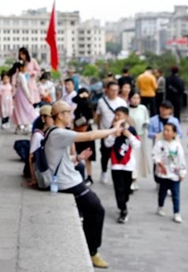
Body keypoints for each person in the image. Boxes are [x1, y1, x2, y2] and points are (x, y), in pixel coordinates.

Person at [44, 100, 125, 269]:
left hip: (68, 179)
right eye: (68, 112)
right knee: (96, 209)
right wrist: (113, 130)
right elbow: (89, 136)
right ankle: (92, 251)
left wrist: (78, 158)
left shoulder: (56, 132)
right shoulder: (59, 133)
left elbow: (59, 159)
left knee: (93, 209)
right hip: (67, 183)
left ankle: (90, 246)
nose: (72, 116)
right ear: (60, 115)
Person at [104, 106, 140, 223]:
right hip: (116, 163)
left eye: (119, 115)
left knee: (126, 187)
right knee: (118, 188)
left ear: (126, 116)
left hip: (128, 163)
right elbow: (107, 144)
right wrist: (114, 134)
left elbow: (137, 145)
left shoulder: (132, 130)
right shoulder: (112, 129)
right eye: (116, 115)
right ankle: (123, 210)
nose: (117, 117)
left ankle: (124, 202)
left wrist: (128, 134)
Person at [152, 123, 187, 223]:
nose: (166, 132)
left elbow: (181, 159)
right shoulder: (159, 144)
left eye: (168, 130)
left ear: (174, 133)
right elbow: (154, 154)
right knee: (162, 192)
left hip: (174, 174)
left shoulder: (177, 146)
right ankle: (160, 206)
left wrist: (182, 172)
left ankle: (176, 212)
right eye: (165, 130)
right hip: (163, 173)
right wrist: (159, 163)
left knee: (175, 194)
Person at [95, 80, 127, 184]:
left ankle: (117, 174)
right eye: (112, 90)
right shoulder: (101, 101)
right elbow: (98, 116)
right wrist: (100, 130)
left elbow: (125, 118)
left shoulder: (122, 102)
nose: (114, 92)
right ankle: (104, 171)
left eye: (116, 90)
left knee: (118, 154)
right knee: (105, 154)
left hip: (118, 133)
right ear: (107, 90)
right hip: (105, 132)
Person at [72, 87, 96, 185]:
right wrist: (81, 95)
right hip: (78, 130)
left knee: (87, 156)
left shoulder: (88, 104)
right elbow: (74, 99)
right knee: (76, 153)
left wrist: (85, 97)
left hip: (86, 130)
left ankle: (89, 176)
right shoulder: (78, 103)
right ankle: (78, 174)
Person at [128, 92, 151, 191]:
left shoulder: (143, 108)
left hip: (140, 136)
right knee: (131, 158)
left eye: (138, 98)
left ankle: (135, 179)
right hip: (129, 137)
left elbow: (147, 120)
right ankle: (130, 178)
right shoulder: (126, 109)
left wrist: (145, 125)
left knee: (138, 158)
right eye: (134, 98)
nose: (136, 100)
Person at [27, 106, 54, 187]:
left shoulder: (52, 131)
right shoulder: (38, 135)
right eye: (51, 117)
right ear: (43, 117)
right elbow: (31, 157)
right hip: (43, 171)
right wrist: (33, 178)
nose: (54, 119)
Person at [10, 62, 37, 134]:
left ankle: (19, 126)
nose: (26, 69)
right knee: (26, 109)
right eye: (25, 68)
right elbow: (25, 87)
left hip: (19, 94)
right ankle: (26, 126)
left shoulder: (18, 75)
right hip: (22, 95)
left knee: (19, 110)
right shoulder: (21, 76)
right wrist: (29, 97)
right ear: (21, 68)